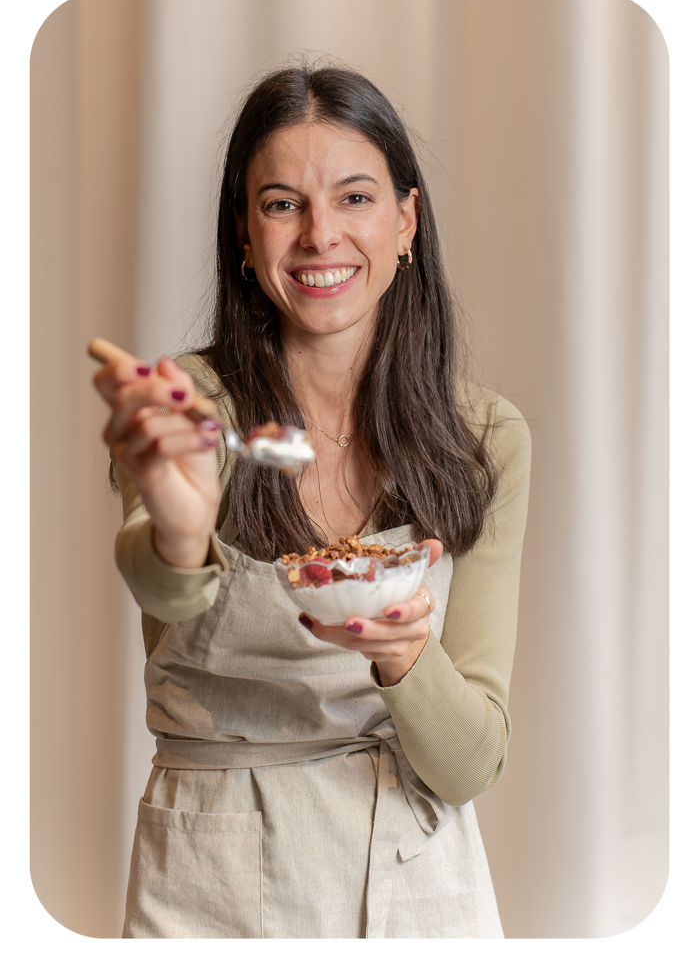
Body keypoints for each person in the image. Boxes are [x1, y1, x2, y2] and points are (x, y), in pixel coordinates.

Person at [93, 64, 531, 940]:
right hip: (212, 877)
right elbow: (162, 585)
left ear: (405, 221)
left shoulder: (483, 435)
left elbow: (471, 762)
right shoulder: (196, 404)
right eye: (282, 204)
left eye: (355, 197)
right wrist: (180, 528)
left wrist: (407, 658)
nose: (320, 234)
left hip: (418, 883)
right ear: (245, 235)